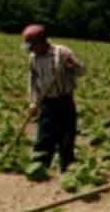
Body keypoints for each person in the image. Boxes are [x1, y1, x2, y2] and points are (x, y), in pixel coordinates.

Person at [23, 24, 84, 171]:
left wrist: (72, 65)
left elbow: (81, 71)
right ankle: (39, 168)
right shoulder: (33, 58)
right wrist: (33, 103)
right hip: (46, 102)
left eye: (32, 45)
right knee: (44, 136)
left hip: (64, 101)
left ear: (41, 41)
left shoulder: (61, 52)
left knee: (66, 138)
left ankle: (67, 169)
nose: (30, 49)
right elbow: (33, 81)